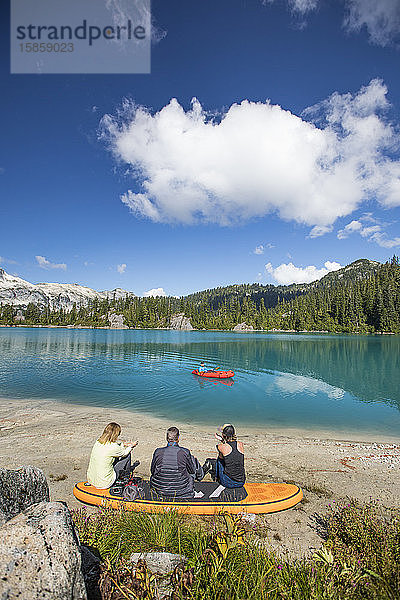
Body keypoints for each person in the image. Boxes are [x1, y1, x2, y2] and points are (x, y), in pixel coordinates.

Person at [150, 426, 203, 498]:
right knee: (193, 460)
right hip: (181, 489)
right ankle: (200, 478)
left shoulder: (158, 451)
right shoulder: (184, 452)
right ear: (178, 438)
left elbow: (152, 471)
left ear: (167, 438)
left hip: (160, 489)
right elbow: (192, 471)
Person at [87, 422, 138, 489]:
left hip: (91, 480)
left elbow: (116, 449)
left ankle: (124, 474)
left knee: (115, 456)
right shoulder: (113, 447)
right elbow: (124, 453)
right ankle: (127, 476)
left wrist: (124, 444)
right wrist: (131, 446)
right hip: (105, 483)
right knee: (127, 455)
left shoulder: (98, 442)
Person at [203, 424, 245, 489]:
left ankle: (216, 477)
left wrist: (222, 440)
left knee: (219, 460)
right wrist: (223, 439)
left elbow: (223, 451)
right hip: (241, 482)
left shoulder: (221, 447)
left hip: (229, 482)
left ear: (223, 435)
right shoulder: (240, 444)